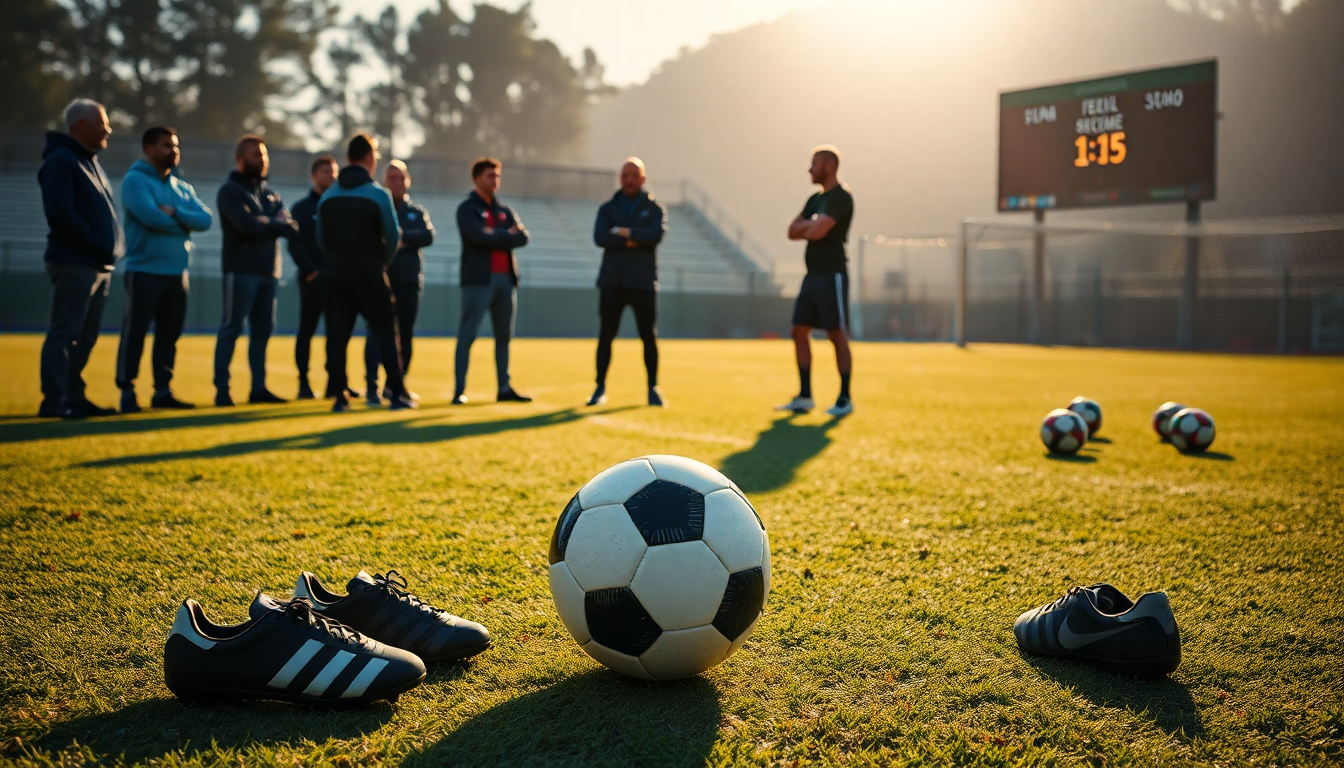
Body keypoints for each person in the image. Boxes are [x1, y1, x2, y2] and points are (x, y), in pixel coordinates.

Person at [114, 127, 214, 413]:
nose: (174, 150)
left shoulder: (181, 187)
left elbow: (205, 219)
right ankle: (127, 390)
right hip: (144, 270)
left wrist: (177, 213)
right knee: (135, 333)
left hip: (177, 272)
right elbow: (151, 218)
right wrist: (184, 224)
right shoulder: (135, 181)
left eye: (176, 145)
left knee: (169, 335)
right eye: (167, 145)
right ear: (149, 149)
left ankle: (162, 391)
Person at [37, 99, 124, 419]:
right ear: (81, 126)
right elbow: (60, 215)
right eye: (103, 123)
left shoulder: (90, 162)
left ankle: (74, 396)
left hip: (97, 264)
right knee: (66, 331)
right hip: (75, 261)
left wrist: (107, 249)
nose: (109, 129)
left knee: (85, 336)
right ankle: (54, 400)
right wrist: (97, 244)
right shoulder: (62, 161)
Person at [317, 134, 415, 413]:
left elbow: (320, 238)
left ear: (347, 158)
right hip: (371, 273)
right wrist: (379, 262)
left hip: (337, 275)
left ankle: (340, 397)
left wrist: (336, 261)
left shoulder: (328, 196)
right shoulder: (378, 194)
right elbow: (393, 237)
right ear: (371, 159)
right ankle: (396, 395)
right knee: (386, 332)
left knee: (337, 337)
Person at [213, 134, 297, 406]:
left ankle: (258, 388)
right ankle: (222, 390)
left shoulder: (271, 194)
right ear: (240, 159)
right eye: (255, 155)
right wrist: (274, 223)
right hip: (241, 270)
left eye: (264, 155)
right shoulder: (230, 191)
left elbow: (292, 228)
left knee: (262, 331)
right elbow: (246, 226)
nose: (262, 160)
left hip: (268, 273)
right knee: (232, 327)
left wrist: (266, 221)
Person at [779, 145, 855, 417]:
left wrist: (809, 228)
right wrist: (809, 227)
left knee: (835, 332)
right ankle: (804, 396)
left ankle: (845, 397)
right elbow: (791, 230)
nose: (810, 170)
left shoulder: (841, 198)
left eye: (814, 164)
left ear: (829, 166)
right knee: (799, 330)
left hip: (831, 273)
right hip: (811, 275)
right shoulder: (815, 200)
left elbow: (819, 231)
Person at [588, 157, 668, 407]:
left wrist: (624, 232)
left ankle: (652, 388)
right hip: (612, 281)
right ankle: (599, 387)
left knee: (648, 336)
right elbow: (600, 237)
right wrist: (635, 240)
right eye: (625, 175)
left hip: (643, 282)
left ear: (642, 178)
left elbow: (655, 235)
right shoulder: (608, 208)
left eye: (634, 175)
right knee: (606, 335)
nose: (629, 179)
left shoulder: (654, 208)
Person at [453, 158, 531, 405]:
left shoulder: (505, 210)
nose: (495, 180)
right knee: (468, 334)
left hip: (505, 281)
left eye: (497, 176)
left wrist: (493, 234)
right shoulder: (467, 209)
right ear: (476, 178)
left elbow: (523, 237)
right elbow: (476, 236)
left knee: (504, 336)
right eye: (489, 176)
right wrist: (504, 235)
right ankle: (459, 390)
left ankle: (504, 388)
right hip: (478, 280)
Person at [364, 159, 434, 405]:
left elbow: (427, 235)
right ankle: (371, 387)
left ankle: (396, 386)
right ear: (384, 180)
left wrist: (400, 237)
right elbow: (372, 235)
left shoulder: (416, 210)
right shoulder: (377, 207)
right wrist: (401, 239)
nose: (397, 182)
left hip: (408, 280)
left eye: (401, 177)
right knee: (376, 332)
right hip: (381, 277)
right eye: (392, 177)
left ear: (408, 180)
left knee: (405, 334)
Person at [287, 155, 355, 400]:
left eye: (334, 171)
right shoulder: (302, 208)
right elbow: (295, 245)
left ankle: (336, 383)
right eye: (327, 171)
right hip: (312, 279)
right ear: (314, 175)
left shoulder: (338, 205)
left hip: (337, 279)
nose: (332, 176)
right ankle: (303, 382)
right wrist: (310, 270)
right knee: (307, 330)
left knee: (337, 332)